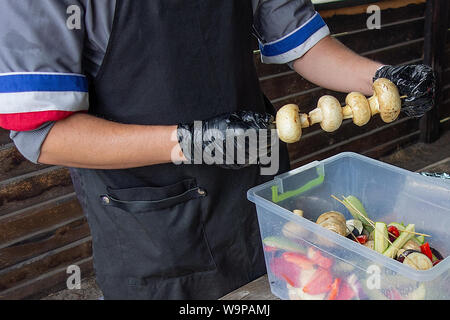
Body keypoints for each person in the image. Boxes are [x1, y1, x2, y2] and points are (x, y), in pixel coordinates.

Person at [0, 0, 434, 300]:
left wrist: (383, 77)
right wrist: (189, 142)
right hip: (155, 218)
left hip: (259, 190)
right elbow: (41, 133)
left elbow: (301, 40)